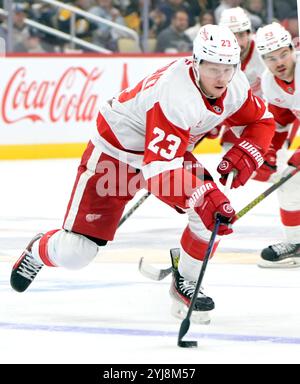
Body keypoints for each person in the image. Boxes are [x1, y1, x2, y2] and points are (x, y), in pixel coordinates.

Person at [10, 24, 275, 324]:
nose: (223, 77)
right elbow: (160, 175)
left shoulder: (234, 84)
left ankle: (185, 281)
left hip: (163, 155)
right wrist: (202, 193)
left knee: (209, 215)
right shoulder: (175, 94)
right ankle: (39, 249)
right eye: (214, 68)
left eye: (229, 67)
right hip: (116, 154)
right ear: (196, 62)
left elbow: (262, 120)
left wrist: (250, 151)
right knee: (76, 253)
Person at [254, 22, 300, 268]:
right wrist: (268, 152)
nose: (279, 62)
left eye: (283, 53)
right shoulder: (269, 83)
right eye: (271, 58)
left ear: (293, 49)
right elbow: (280, 123)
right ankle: (297, 244)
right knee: (289, 182)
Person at [218, 6, 267, 150]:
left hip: (260, 110)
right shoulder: (215, 53)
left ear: (249, 33)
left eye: (241, 35)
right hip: (233, 109)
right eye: (232, 36)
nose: (238, 43)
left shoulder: (262, 52)